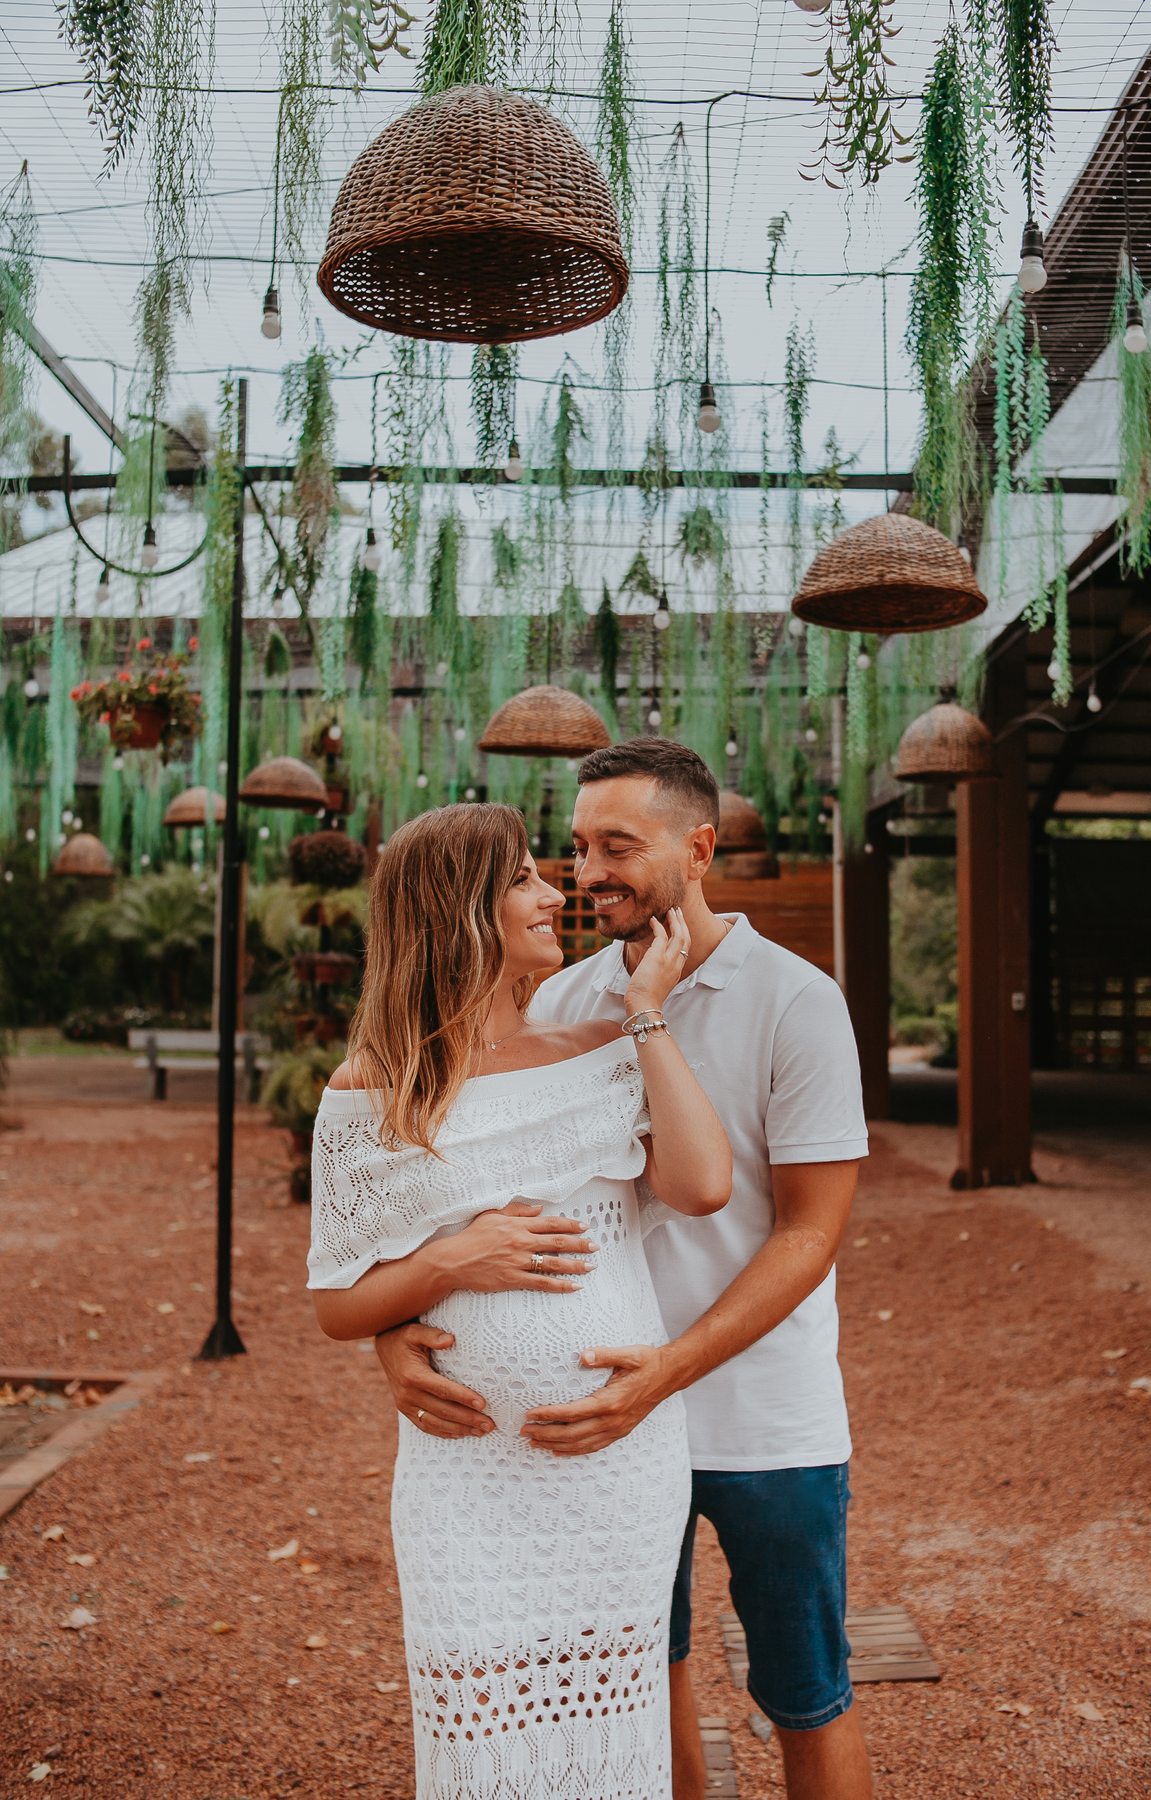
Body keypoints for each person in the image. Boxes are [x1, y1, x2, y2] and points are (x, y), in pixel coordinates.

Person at [376, 740, 874, 1800]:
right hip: (602, 1431)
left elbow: (806, 1235)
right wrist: (392, 1329)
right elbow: (462, 1190)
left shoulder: (798, 1002)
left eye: (616, 845)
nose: (585, 872)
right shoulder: (557, 1000)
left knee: (807, 1690)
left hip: (762, 1417)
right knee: (638, 1682)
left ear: (698, 848)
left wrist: (666, 1372)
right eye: (574, 847)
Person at [306, 802, 732, 1800]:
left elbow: (704, 1183)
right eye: (527, 881)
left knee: (613, 1718)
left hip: (613, 1471)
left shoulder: (603, 1048)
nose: (557, 897)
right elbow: (338, 1302)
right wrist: (455, 1258)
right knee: (476, 1719)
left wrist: (648, 1011)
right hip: (462, 1473)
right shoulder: (371, 1091)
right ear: (460, 913)